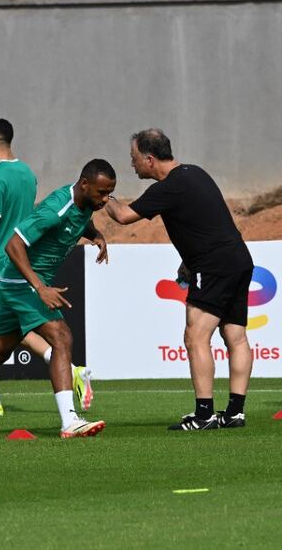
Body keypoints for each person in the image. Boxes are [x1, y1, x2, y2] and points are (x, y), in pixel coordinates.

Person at [0, 159, 114, 439]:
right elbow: (13, 244)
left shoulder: (84, 203)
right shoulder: (56, 208)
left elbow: (82, 221)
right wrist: (40, 287)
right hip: (21, 283)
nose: (105, 199)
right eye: (101, 193)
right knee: (61, 337)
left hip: (21, 283)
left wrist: (96, 235)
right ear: (85, 185)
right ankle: (69, 421)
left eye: (109, 192)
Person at [104, 129, 253, 430]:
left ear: (149, 159)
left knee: (195, 337)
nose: (132, 165)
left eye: (134, 159)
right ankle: (235, 412)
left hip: (213, 267)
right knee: (235, 337)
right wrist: (189, 261)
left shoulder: (168, 188)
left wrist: (99, 194)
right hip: (238, 259)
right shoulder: (195, 173)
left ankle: (204, 415)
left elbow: (122, 215)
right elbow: (205, 221)